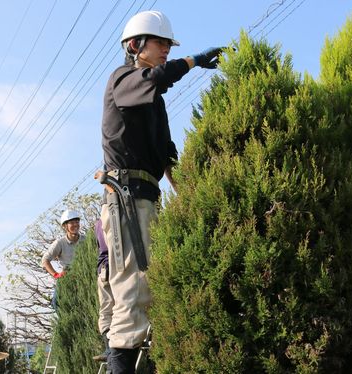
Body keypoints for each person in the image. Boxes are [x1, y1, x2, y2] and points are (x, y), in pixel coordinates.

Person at [99, 10, 223, 373]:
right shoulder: (123, 79)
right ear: (136, 45)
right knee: (131, 296)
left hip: (148, 197)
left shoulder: (153, 102)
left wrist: (184, 191)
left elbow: (166, 151)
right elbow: (157, 78)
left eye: (170, 44)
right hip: (126, 196)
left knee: (149, 296)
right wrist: (195, 61)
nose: (167, 49)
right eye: (162, 42)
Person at [41, 209, 85, 311]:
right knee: (57, 303)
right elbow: (45, 260)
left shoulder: (86, 240)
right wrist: (56, 275)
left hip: (84, 277)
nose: (75, 224)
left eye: (77, 222)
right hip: (67, 278)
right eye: (72, 222)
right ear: (65, 226)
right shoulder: (60, 243)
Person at [93, 219, 113, 365]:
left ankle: (110, 349)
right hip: (109, 268)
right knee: (108, 310)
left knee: (107, 310)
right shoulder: (111, 218)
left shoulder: (99, 222)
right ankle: (109, 349)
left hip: (106, 269)